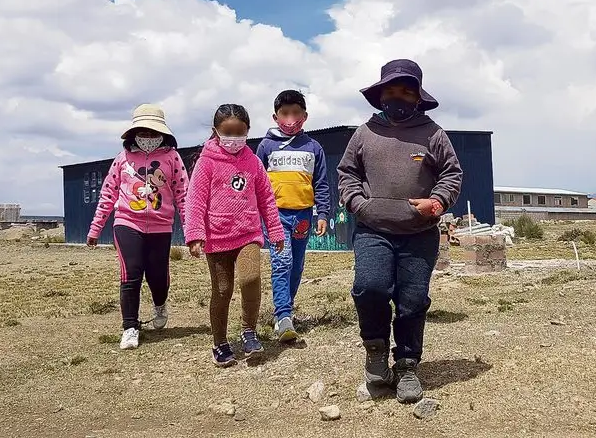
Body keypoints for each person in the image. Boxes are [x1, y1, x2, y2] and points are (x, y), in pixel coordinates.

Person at [337, 59, 463, 404]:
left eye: (407, 91)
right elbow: (346, 172)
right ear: (380, 96)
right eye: (391, 90)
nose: (399, 97)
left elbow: (452, 174)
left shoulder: (433, 133)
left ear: (418, 97)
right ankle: (376, 350)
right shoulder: (364, 133)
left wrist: (437, 203)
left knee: (412, 301)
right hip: (372, 229)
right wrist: (359, 204)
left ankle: (407, 365)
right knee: (370, 287)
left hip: (418, 233)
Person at [184, 104, 285, 367]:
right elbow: (195, 200)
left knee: (251, 279)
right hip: (216, 238)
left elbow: (266, 199)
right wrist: (195, 233)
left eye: (240, 133)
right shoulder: (206, 162)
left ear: (248, 131)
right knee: (222, 290)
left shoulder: (253, 162)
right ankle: (219, 342)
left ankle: (249, 331)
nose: (234, 139)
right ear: (216, 131)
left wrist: (275, 230)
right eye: (227, 133)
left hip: (248, 234)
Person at [87, 103, 188, 351]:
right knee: (130, 276)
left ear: (163, 134)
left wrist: (191, 230)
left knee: (157, 276)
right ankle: (130, 327)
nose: (149, 138)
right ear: (134, 133)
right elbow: (108, 193)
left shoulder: (172, 158)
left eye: (154, 133)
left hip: (161, 226)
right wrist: (95, 228)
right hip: (127, 223)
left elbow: (183, 193)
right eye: (144, 132)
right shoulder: (122, 159)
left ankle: (160, 303)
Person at [256, 90, 331, 342]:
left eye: (296, 113)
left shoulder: (313, 147)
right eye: (285, 113)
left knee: (296, 265)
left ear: (305, 116)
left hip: (303, 216)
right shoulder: (266, 146)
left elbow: (321, 183)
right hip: (275, 214)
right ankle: (283, 315)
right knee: (282, 262)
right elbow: (257, 183)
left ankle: (285, 308)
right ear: (275, 116)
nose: (290, 118)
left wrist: (322, 212)